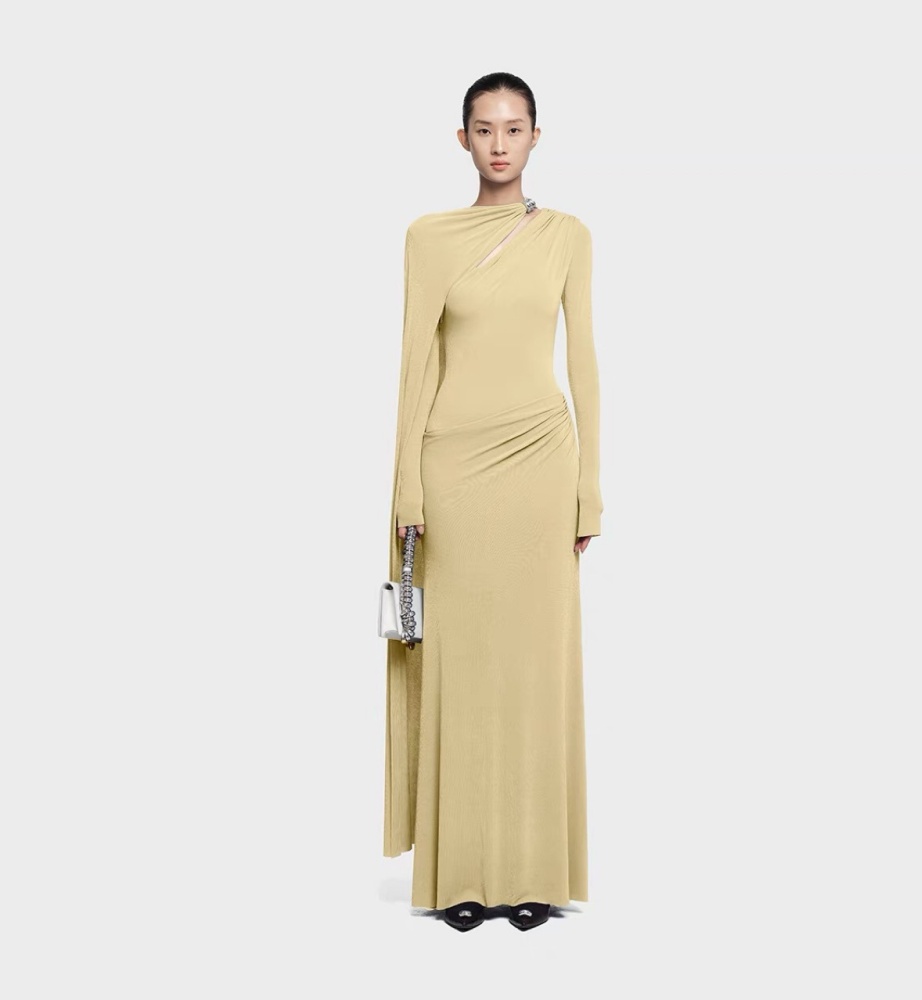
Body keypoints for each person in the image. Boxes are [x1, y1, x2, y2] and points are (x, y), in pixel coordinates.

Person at [383, 71, 603, 933]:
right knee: (462, 667)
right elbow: (415, 366)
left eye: (515, 128)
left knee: (535, 669)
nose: (500, 144)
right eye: (485, 129)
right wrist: (407, 481)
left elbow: (583, 362)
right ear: (463, 139)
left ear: (536, 137)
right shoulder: (429, 238)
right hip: (454, 469)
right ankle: (460, 873)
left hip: (541, 465)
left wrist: (589, 488)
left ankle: (535, 873)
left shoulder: (568, 236)